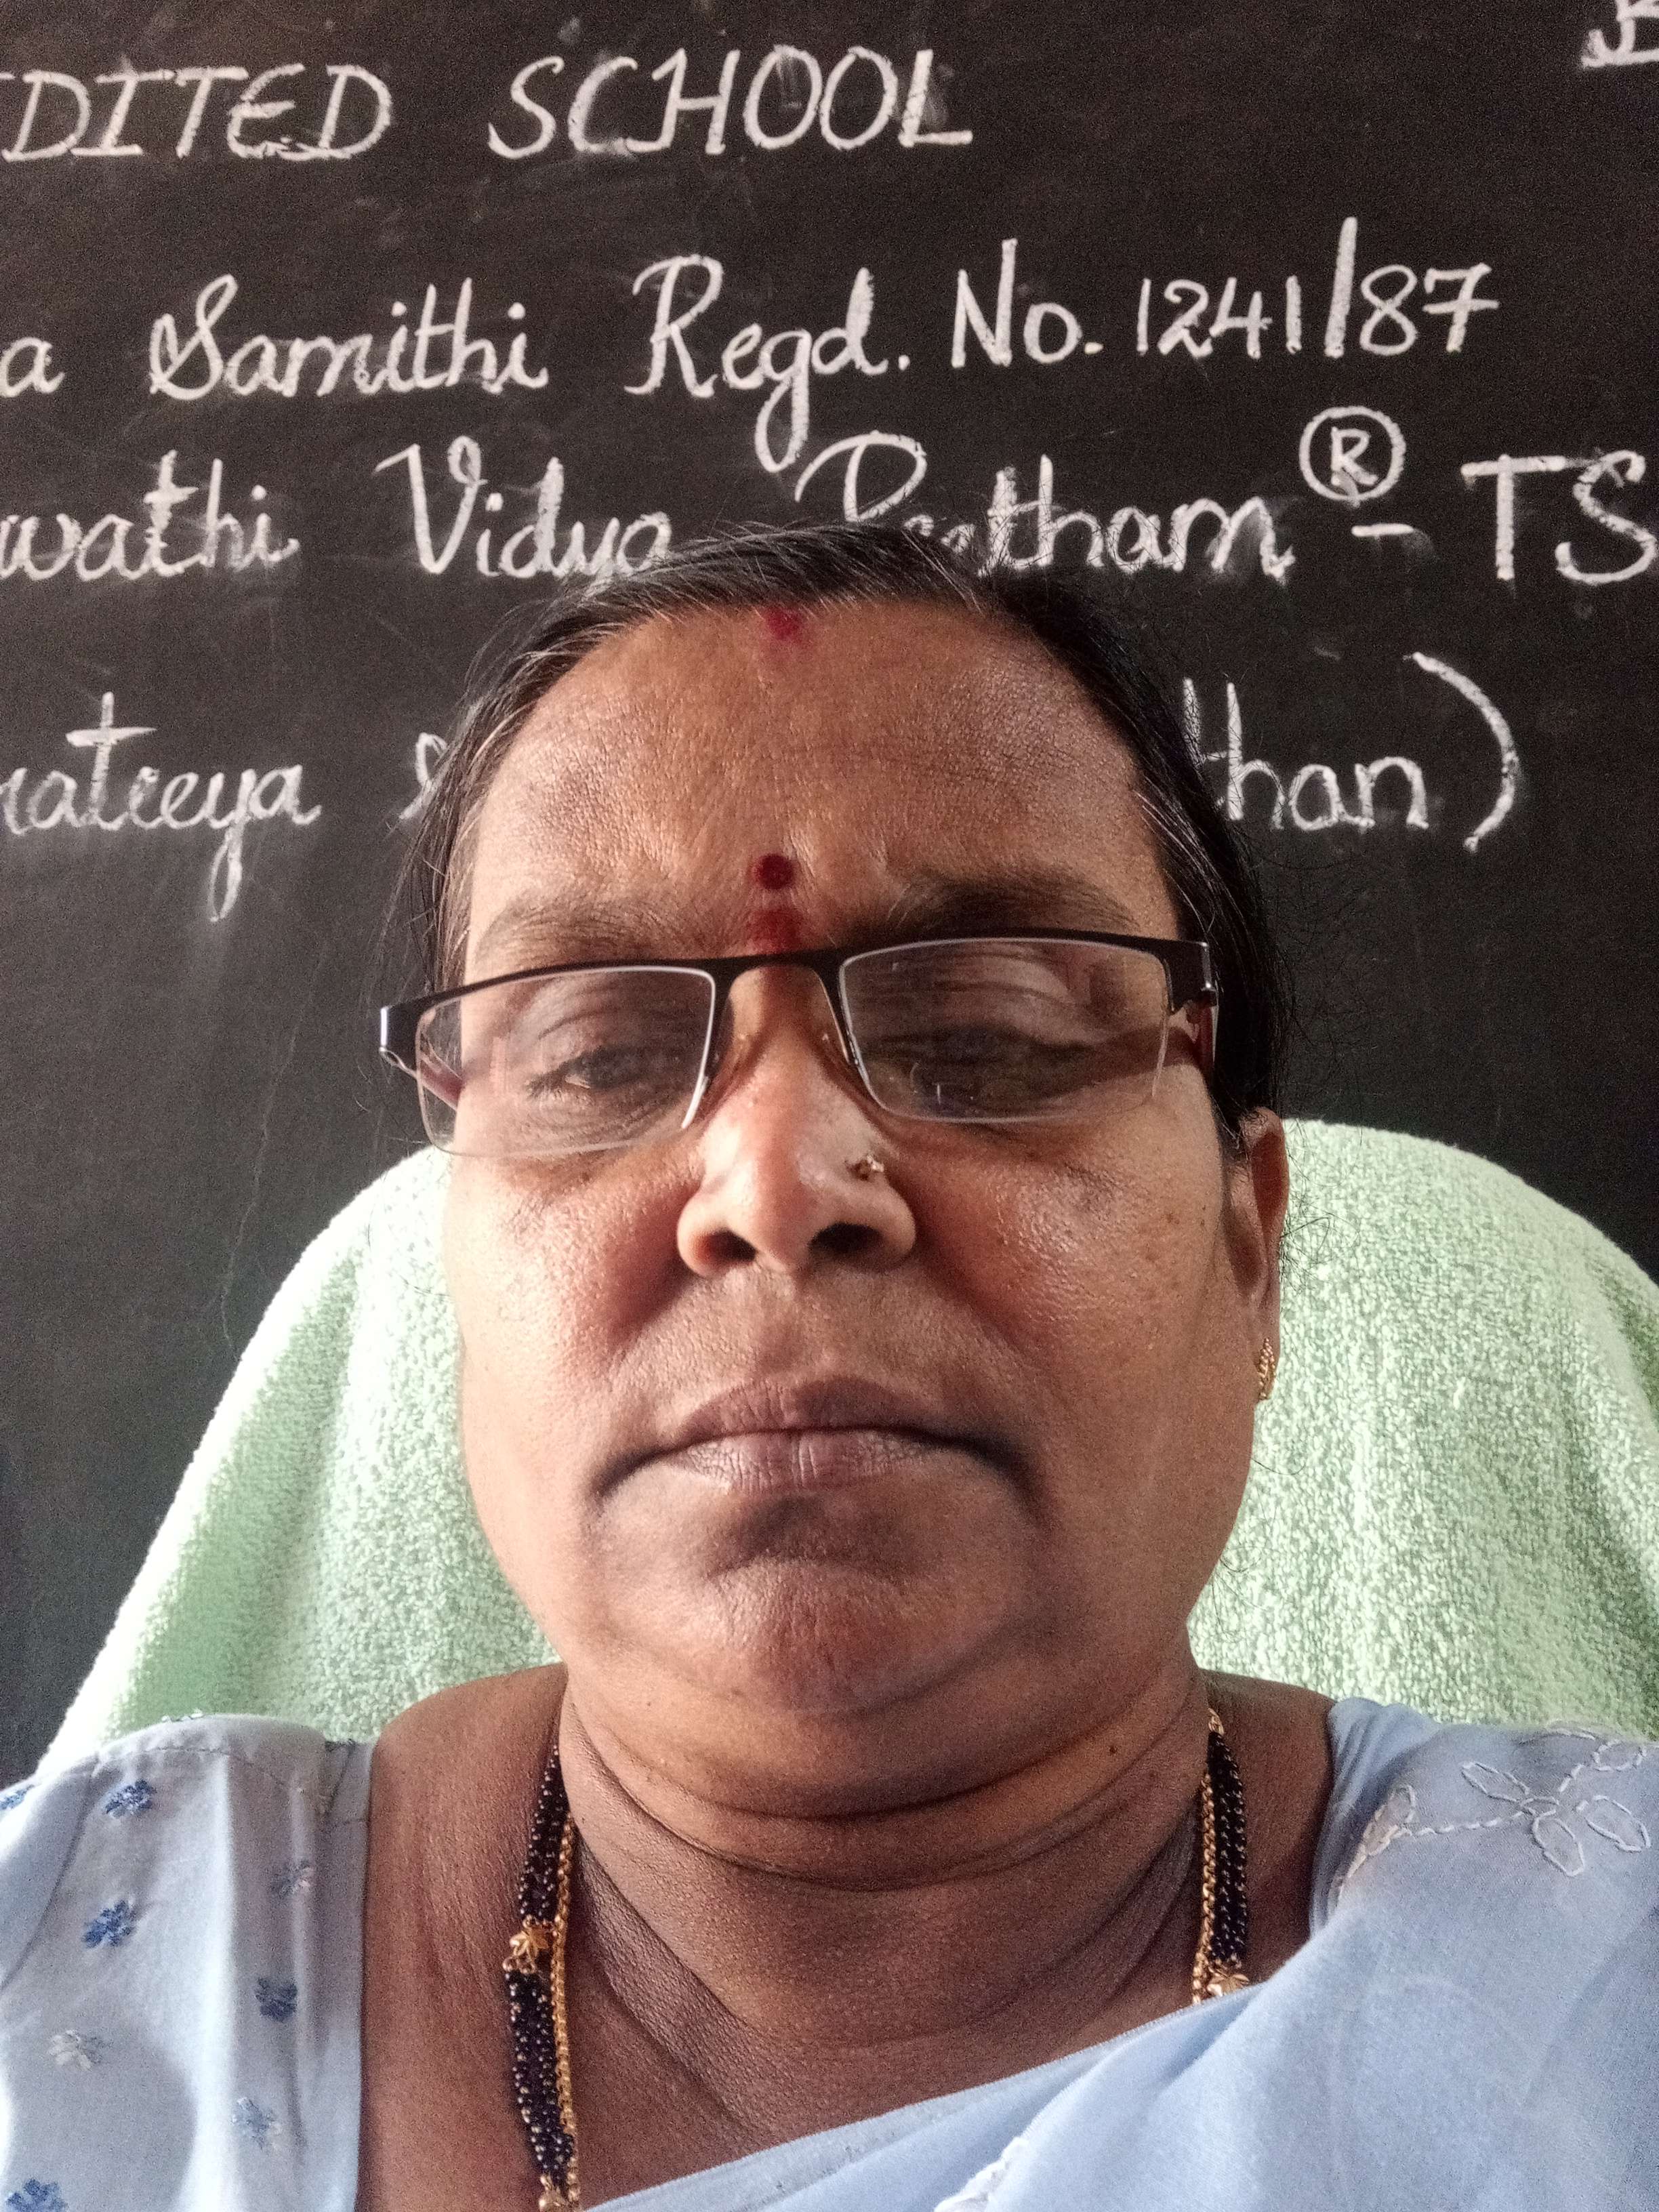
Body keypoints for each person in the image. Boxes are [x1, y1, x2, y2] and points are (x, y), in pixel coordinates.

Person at [1, 523, 1654, 2212]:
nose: (779, 1183)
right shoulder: (61, 1987)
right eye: (598, 1055)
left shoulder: (1601, 1982)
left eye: (990, 1033)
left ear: (1251, 1252)